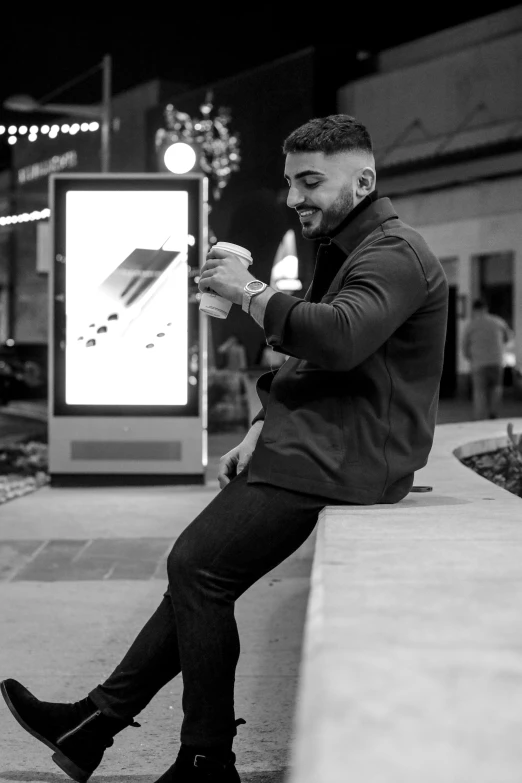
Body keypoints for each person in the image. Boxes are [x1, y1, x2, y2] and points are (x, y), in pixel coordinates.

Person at [0, 115, 448, 783]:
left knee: (197, 568)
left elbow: (340, 338)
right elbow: (320, 363)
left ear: (365, 180)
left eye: (311, 182)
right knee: (199, 575)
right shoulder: (350, 246)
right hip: (318, 441)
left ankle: (203, 756)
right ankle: (92, 726)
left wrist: (247, 290)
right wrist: (264, 423)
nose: (295, 197)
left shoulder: (393, 252)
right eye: (291, 181)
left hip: (346, 454)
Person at [461, 298, 513, 420]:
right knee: (496, 388)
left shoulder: (471, 325)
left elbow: (464, 346)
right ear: (486, 309)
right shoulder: (498, 321)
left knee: (479, 392)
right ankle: (494, 414)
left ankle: (480, 418)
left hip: (479, 363)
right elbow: (508, 337)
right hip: (497, 361)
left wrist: (470, 357)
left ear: (474, 310)